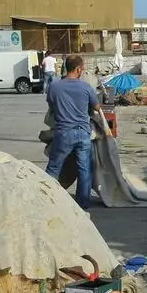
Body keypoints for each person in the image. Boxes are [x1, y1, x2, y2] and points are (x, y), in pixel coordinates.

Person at [45, 54, 100, 209]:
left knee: (54, 168)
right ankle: (82, 205)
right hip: (83, 134)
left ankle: (47, 200)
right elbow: (97, 108)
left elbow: (51, 104)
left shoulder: (54, 86)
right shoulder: (86, 87)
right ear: (78, 69)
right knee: (84, 170)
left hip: (63, 134)